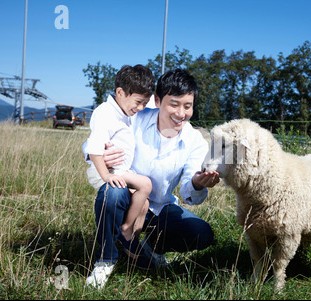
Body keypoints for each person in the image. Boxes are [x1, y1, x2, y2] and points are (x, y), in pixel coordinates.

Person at [84, 68, 220, 289]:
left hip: (160, 207)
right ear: (157, 101)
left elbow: (189, 193)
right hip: (129, 199)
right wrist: (95, 153)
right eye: (174, 104)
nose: (181, 113)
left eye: (188, 106)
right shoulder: (136, 115)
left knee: (201, 233)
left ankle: (152, 246)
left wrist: (197, 183)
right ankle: (105, 259)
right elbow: (96, 137)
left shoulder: (195, 141)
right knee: (112, 191)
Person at [85, 65, 154, 244]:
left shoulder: (125, 111)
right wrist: (107, 175)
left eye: (145, 104)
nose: (141, 108)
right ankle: (125, 229)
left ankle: (131, 243)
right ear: (120, 92)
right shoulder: (105, 114)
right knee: (145, 185)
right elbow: (93, 147)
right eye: (138, 102)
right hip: (108, 171)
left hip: (120, 169)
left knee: (144, 204)